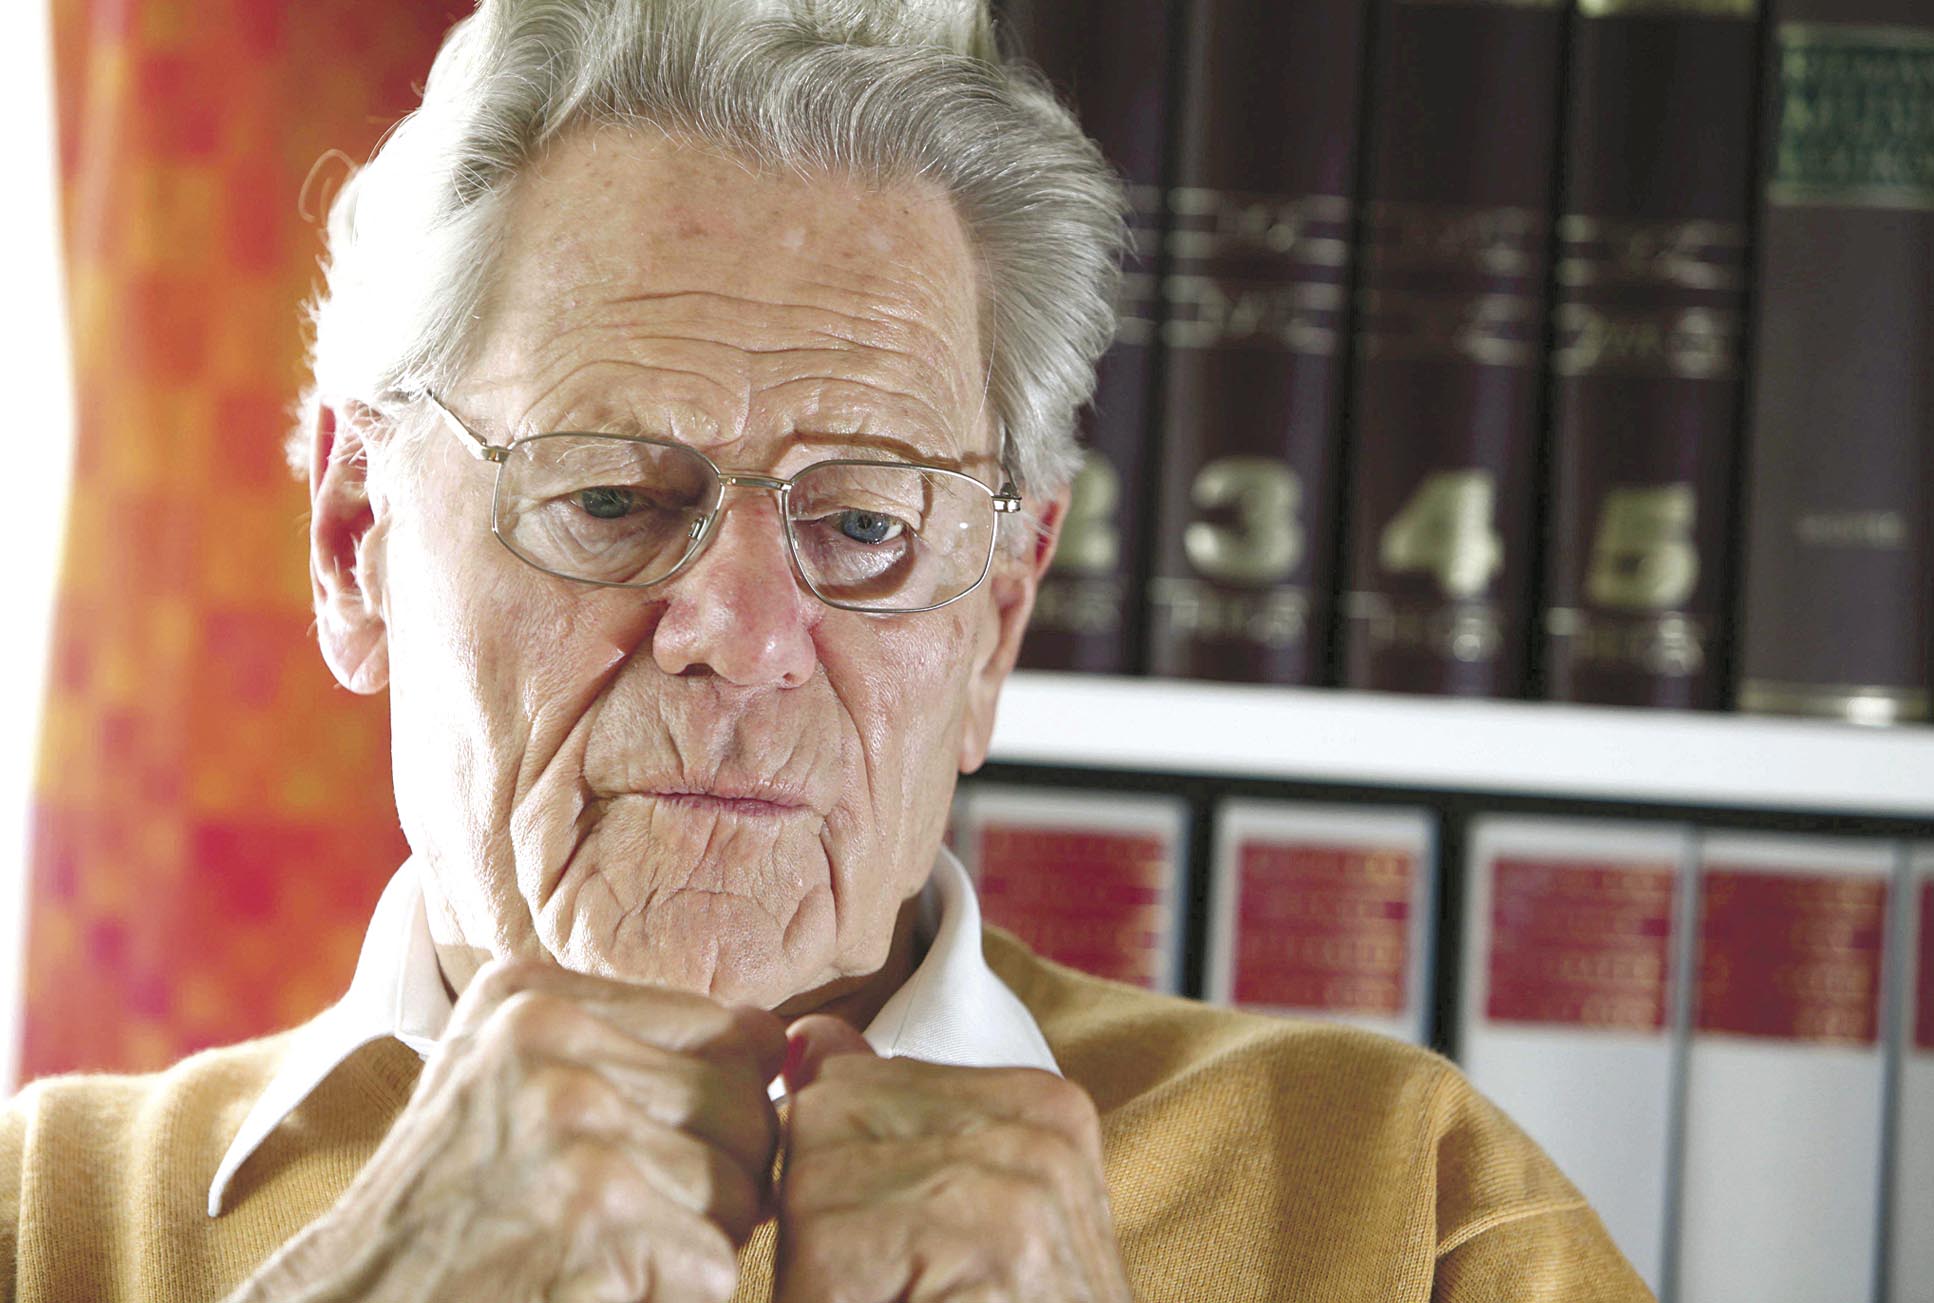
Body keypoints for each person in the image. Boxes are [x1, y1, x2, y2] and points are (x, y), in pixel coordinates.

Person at [1, 2, 1653, 1300]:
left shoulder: (1403, 1203)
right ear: (355, 542)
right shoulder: (48, 1222)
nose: (737, 636)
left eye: (863, 528)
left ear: (999, 612)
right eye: (606, 498)